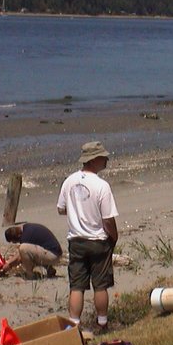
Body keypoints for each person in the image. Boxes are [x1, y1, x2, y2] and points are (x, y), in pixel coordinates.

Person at [57, 141, 119, 331]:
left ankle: (73, 325)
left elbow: (61, 209)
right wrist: (114, 237)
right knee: (100, 285)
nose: (106, 160)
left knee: (77, 286)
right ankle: (102, 323)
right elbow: (108, 219)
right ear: (94, 160)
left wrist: (78, 210)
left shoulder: (69, 181)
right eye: (103, 157)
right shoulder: (101, 186)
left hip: (76, 240)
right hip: (98, 240)